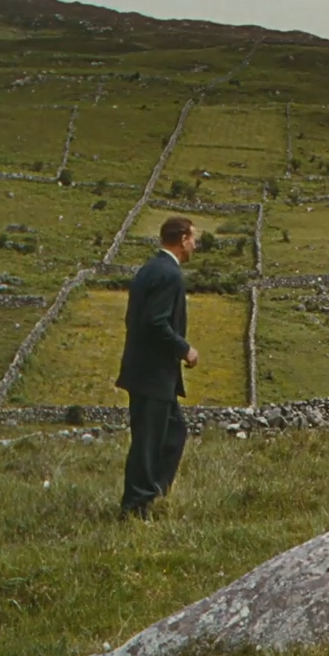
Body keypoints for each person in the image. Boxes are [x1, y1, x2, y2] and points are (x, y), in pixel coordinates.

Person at [115, 216, 199, 520]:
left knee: (173, 433)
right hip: (154, 374)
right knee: (149, 443)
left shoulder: (149, 269)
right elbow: (155, 322)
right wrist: (184, 349)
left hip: (144, 371)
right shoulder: (169, 275)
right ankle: (136, 507)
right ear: (183, 239)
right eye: (193, 238)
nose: (195, 245)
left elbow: (134, 319)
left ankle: (155, 495)